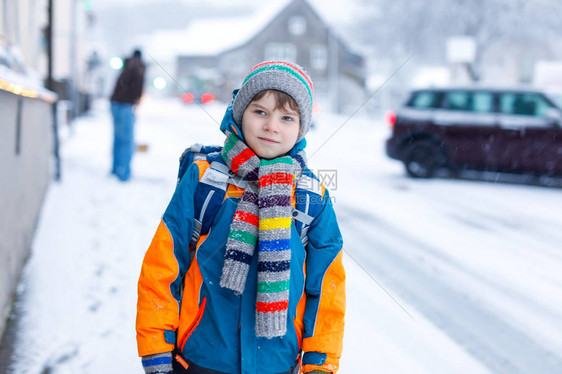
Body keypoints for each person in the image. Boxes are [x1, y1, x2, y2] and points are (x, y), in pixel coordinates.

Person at [136, 61, 345, 374]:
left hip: (278, 363)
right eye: (260, 112)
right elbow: (162, 269)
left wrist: (320, 363)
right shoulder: (205, 181)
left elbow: (327, 289)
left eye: (286, 117)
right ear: (240, 113)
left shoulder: (311, 197)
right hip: (202, 359)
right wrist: (156, 350)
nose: (271, 126)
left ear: (300, 128)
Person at [110, 49, 145, 181]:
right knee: (127, 141)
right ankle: (124, 173)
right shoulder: (139, 66)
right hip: (126, 105)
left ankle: (115, 169)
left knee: (117, 139)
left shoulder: (127, 65)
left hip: (115, 103)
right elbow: (138, 88)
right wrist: (137, 99)